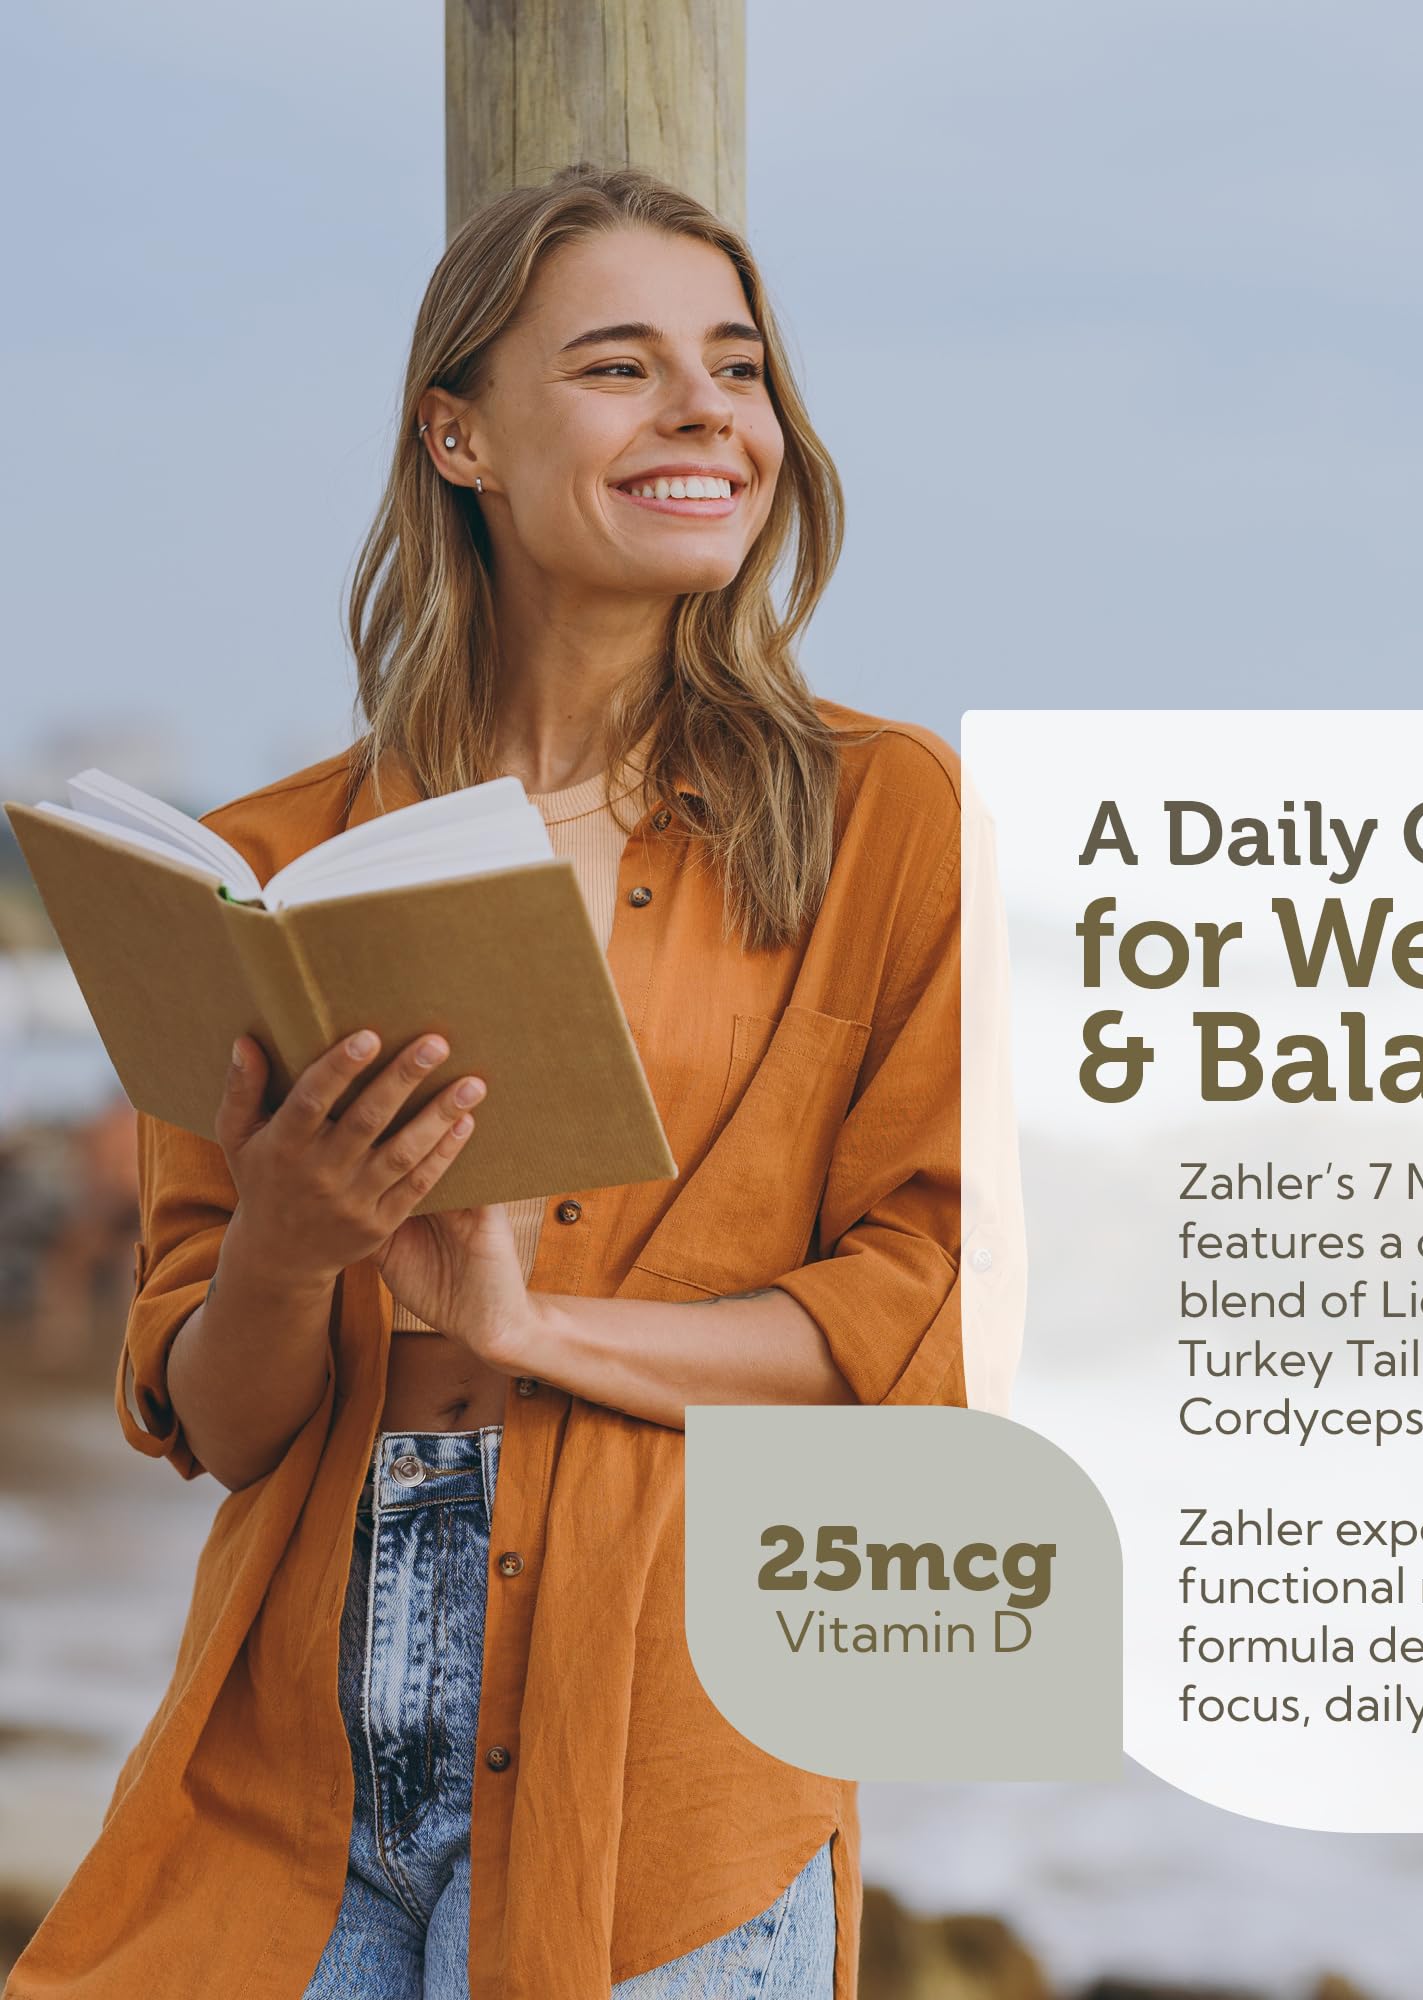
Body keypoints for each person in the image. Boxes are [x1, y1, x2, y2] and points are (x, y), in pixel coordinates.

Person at [3, 163, 961, 2000]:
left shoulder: (879, 818)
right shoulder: (265, 862)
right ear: (460, 434)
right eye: (621, 366)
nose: (707, 414)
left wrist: (533, 1329)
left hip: (669, 1722)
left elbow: (923, 1320)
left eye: (739, 367)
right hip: (288, 1729)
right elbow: (220, 1421)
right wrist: (284, 1247)